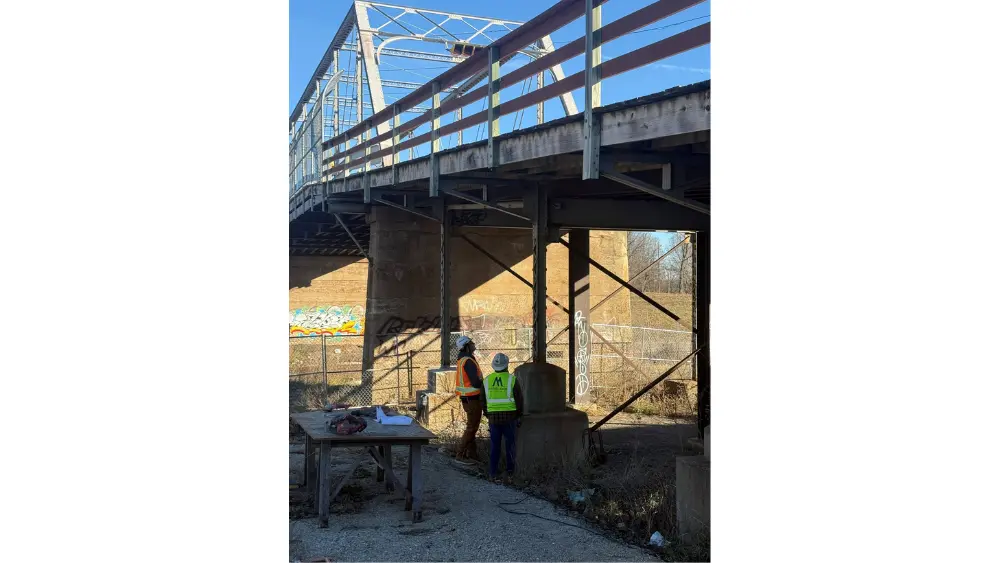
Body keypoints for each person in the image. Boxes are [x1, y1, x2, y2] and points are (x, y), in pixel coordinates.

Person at [479, 353, 524, 478]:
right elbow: (519, 399)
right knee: (510, 445)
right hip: (510, 418)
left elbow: (482, 400)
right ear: (506, 365)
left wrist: (487, 414)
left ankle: (492, 472)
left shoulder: (487, 381)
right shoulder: (512, 379)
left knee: (495, 446)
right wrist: (519, 415)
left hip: (493, 419)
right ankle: (510, 472)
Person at [453, 335, 484, 464]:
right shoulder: (468, 361)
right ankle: (460, 455)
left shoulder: (463, 360)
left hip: (467, 399)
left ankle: (472, 454)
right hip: (472, 399)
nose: (473, 344)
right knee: (472, 427)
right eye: (471, 342)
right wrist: (485, 383)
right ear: (466, 346)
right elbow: (476, 383)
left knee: (473, 426)